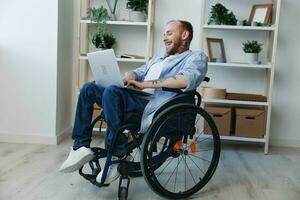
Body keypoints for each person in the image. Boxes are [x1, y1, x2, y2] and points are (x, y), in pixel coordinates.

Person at [59, 20, 208, 184]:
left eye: (169, 33)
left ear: (185, 34)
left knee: (112, 92)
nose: (164, 38)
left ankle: (118, 153)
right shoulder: (159, 57)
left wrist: (144, 85)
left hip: (155, 107)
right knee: (88, 88)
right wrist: (130, 75)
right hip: (136, 99)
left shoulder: (196, 57)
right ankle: (80, 146)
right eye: (164, 34)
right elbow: (140, 71)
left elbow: (184, 80)